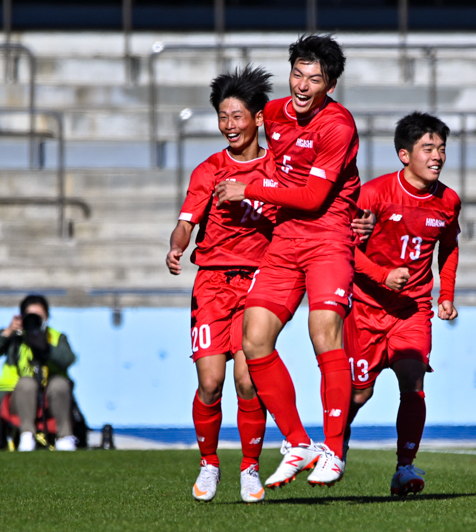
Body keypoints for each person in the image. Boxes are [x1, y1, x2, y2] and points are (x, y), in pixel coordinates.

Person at [215, 34, 361, 489]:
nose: (302, 84)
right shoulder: (275, 113)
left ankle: (333, 451)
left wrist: (251, 188)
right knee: (253, 338)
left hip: (328, 236)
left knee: (324, 332)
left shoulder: (338, 126)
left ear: (329, 84)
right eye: (297, 73)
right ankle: (298, 442)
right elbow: (245, 125)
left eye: (313, 78)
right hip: (285, 238)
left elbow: (316, 196)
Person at [166, 65, 276, 504]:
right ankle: (209, 463)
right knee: (211, 383)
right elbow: (185, 222)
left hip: (260, 282)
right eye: (223, 117)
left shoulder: (277, 168)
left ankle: (250, 468)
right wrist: (176, 246)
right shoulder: (208, 170)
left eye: (237, 116)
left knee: (248, 381)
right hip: (211, 285)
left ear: (259, 118)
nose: (229, 126)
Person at [343, 112, 460, 496]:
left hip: (412, 310)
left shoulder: (448, 201)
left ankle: (405, 467)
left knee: (412, 381)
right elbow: (346, 250)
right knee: (359, 393)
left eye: (441, 148)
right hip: (366, 306)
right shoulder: (374, 194)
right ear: (404, 154)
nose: (437, 156)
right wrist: (381, 276)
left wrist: (445, 296)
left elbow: (450, 246)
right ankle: (336, 441)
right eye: (428, 148)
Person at [0, 294, 78, 451]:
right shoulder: (16, 338)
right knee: (27, 383)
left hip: (50, 396)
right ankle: (27, 435)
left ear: (47, 316)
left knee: (60, 383)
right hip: (16, 397)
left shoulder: (56, 337)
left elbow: (68, 359)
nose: (35, 320)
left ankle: (64, 437)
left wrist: (46, 348)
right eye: (31, 316)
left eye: (39, 316)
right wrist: (9, 331)